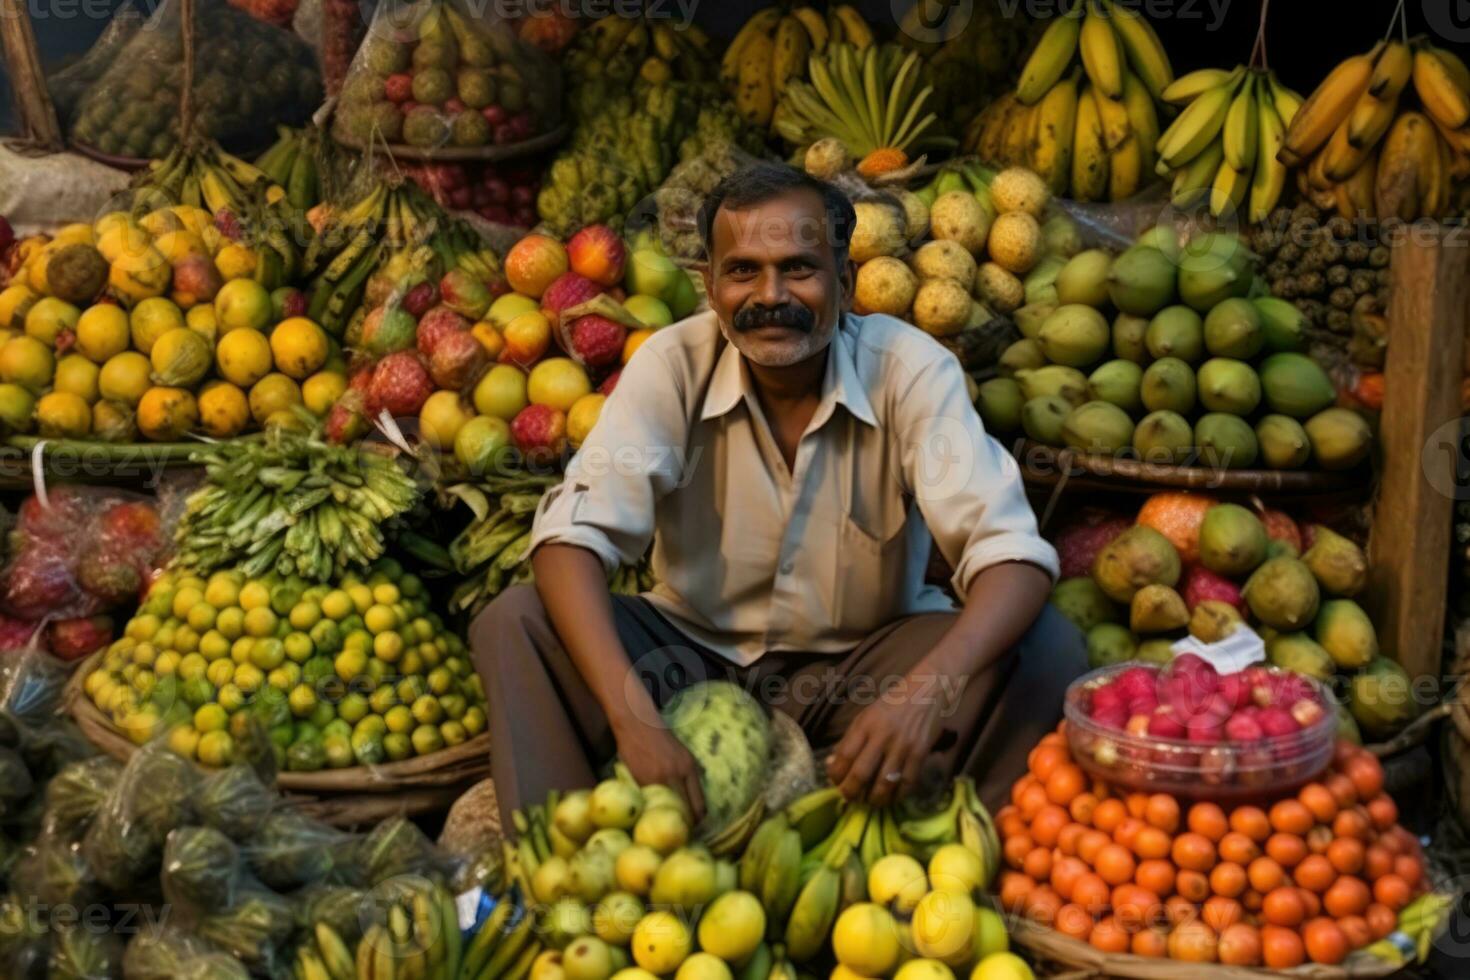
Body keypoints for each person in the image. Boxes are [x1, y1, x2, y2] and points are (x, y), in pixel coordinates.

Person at [471, 162, 1085, 828]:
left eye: (799, 269)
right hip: (689, 656)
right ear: (708, 285)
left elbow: (1012, 556)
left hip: (861, 665)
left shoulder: (909, 370)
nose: (771, 295)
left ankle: (955, 845)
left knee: (1044, 646)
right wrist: (633, 719)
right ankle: (562, 871)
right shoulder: (672, 364)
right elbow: (571, 537)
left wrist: (922, 695)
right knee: (518, 623)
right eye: (742, 271)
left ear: (844, 282)